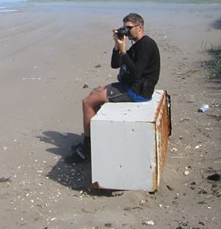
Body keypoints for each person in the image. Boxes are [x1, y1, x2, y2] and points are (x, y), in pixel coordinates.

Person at [66, 12, 160, 163]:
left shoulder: (147, 45)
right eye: (124, 28)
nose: (126, 31)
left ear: (140, 27)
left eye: (128, 28)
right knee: (94, 92)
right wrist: (118, 45)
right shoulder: (137, 45)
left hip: (138, 91)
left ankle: (87, 149)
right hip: (131, 85)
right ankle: (91, 138)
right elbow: (115, 64)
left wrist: (123, 51)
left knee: (87, 102)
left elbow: (136, 73)